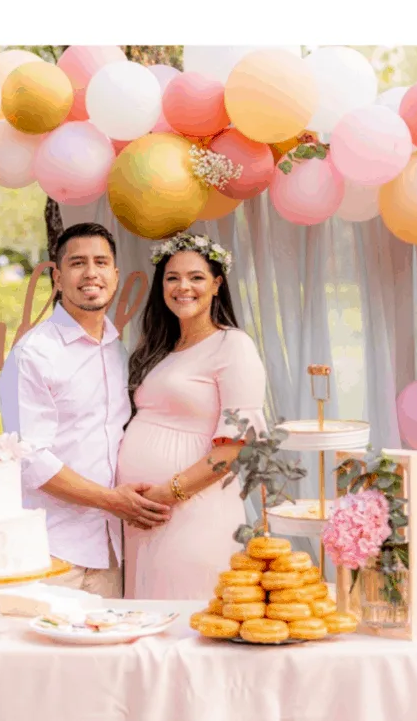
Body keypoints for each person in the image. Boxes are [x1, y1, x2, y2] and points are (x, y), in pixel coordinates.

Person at [0, 222, 170, 597]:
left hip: (113, 550)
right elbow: (31, 461)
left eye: (101, 262)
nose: (91, 273)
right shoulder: (34, 355)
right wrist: (111, 501)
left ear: (115, 275)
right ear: (58, 278)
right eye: (77, 263)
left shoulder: (117, 349)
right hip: (53, 551)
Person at [117, 231, 267, 600]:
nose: (183, 286)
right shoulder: (160, 351)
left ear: (217, 285)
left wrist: (168, 493)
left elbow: (235, 448)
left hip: (193, 511)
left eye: (196, 277)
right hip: (145, 516)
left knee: (188, 620)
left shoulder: (233, 345)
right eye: (172, 278)